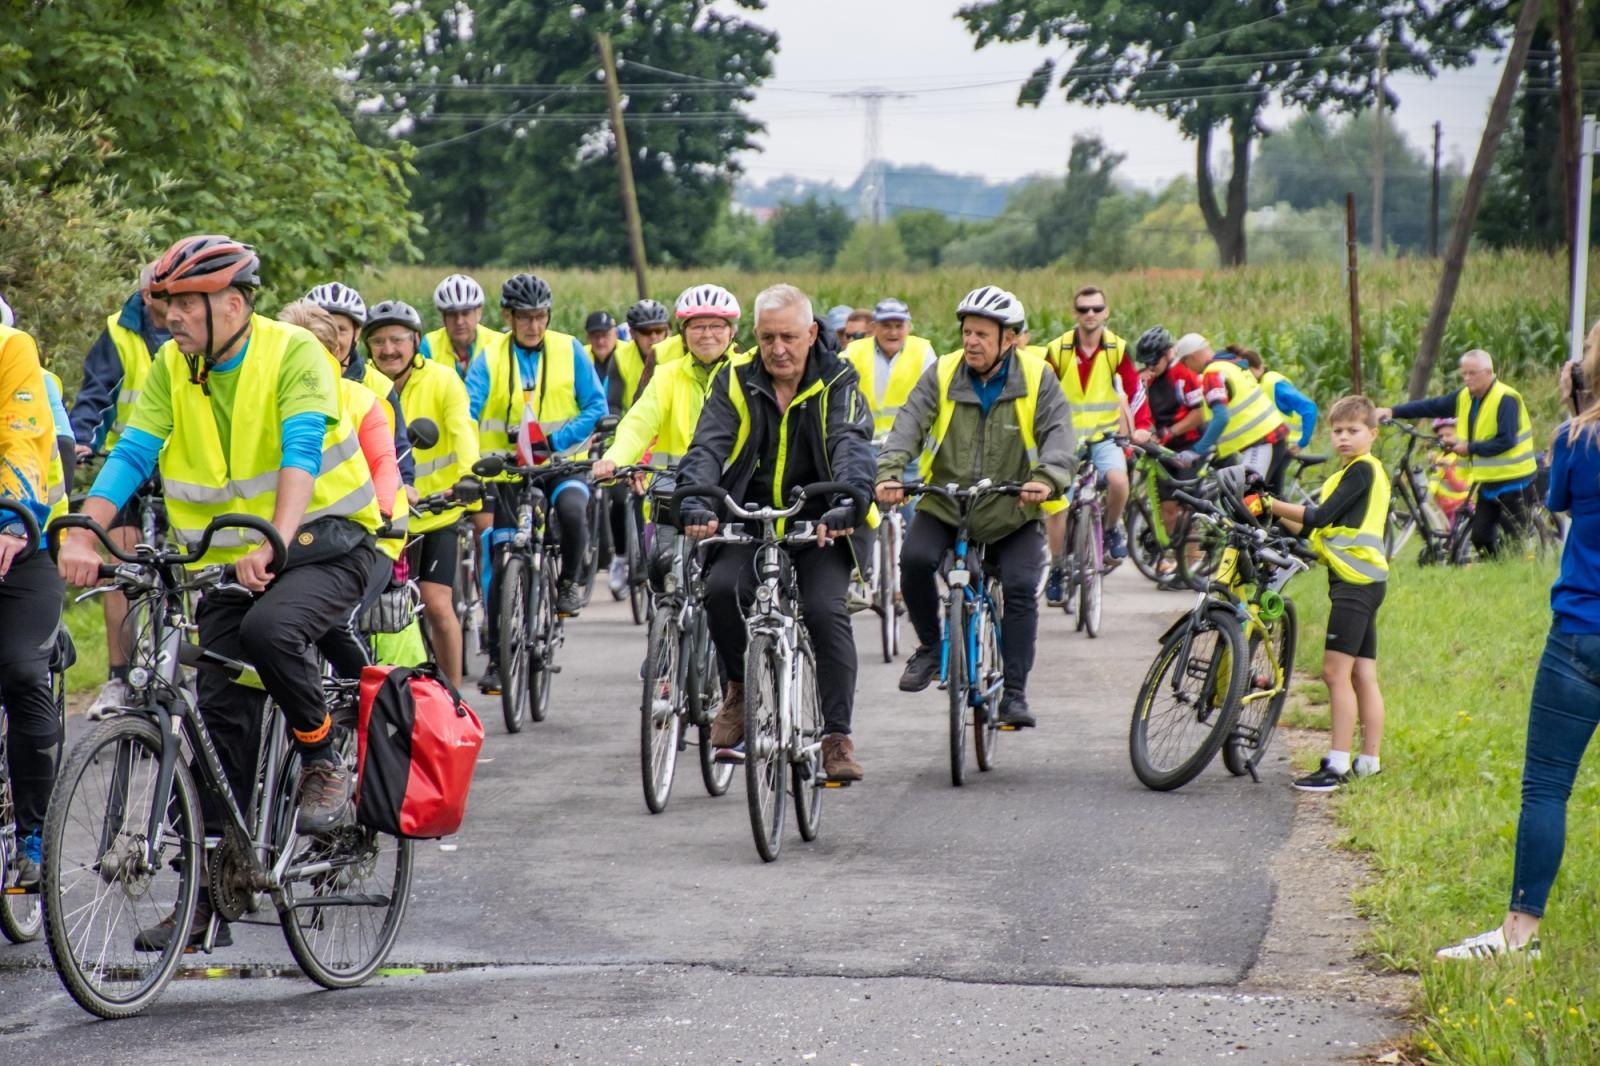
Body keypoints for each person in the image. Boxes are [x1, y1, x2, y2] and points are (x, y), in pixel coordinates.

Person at [57, 235, 384, 951]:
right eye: (166, 302)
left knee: (272, 634)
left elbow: (301, 452)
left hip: (329, 541)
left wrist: (276, 535)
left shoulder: (293, 354)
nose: (169, 315)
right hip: (234, 558)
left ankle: (322, 757)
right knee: (214, 720)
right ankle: (208, 892)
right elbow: (135, 449)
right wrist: (87, 530)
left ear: (232, 304)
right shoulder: (176, 366)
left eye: (183, 303)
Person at [1435, 330, 1600, 960]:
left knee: (1547, 787)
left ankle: (1518, 936)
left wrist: (1576, 406)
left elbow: (1559, 501)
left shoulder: (1575, 439)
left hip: (1580, 630)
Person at [677, 283, 875, 783]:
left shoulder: (839, 381)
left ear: (811, 334)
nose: (778, 349)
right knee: (721, 590)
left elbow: (851, 445)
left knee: (827, 610)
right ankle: (739, 690)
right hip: (749, 514)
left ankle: (835, 736)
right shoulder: (737, 380)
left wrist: (849, 502)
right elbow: (707, 445)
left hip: (822, 520)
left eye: (788, 336)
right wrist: (699, 499)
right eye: (767, 338)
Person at [878, 285, 1076, 729]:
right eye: (967, 332)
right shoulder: (944, 371)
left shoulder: (1038, 377)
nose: (971, 342)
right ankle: (930, 646)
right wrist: (890, 472)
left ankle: (1016, 693)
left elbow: (1060, 438)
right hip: (946, 502)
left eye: (983, 334)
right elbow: (908, 423)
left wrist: (1044, 480)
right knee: (914, 559)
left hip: (1011, 509)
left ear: (1009, 339)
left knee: (1023, 586)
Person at [467, 273, 605, 692]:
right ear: (508, 317)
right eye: (525, 317)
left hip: (563, 463)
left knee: (573, 511)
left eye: (541, 316)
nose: (533, 325)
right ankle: (497, 656)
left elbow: (595, 405)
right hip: (509, 470)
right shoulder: (489, 357)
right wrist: (471, 458)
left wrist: (553, 442)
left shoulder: (570, 350)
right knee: (498, 555)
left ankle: (569, 583)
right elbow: (466, 411)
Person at [1260, 395, 1390, 792]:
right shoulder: (1349, 474)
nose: (1344, 438)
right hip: (1366, 581)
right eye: (1337, 431)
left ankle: (1335, 765)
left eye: (1353, 431)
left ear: (1372, 433)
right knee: (1363, 673)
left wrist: (1269, 500)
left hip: (1354, 583)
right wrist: (1267, 513)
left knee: (1335, 673)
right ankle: (1368, 763)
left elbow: (1317, 517)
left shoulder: (1362, 471)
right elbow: (1311, 529)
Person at [277, 300, 405, 681]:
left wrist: (380, 513)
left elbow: (384, 463)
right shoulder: (276, 399)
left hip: (370, 535)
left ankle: (376, 704)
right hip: (303, 536)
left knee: (333, 621)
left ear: (335, 352)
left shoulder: (360, 400)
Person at [68, 263, 171, 717]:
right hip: (128, 467)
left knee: (201, 570)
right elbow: (98, 391)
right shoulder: (120, 330)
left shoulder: (201, 334)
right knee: (121, 568)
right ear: (146, 296)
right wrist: (84, 435)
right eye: (163, 296)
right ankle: (118, 677)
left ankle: (202, 671)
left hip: (183, 469)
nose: (173, 306)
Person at [592, 284, 746, 588]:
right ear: (683, 332)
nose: (707, 334)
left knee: (729, 581)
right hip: (673, 487)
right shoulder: (668, 375)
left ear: (732, 332)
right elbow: (638, 423)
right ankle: (668, 627)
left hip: (730, 486)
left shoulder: (747, 372)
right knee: (662, 570)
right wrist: (614, 458)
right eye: (698, 326)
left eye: (717, 326)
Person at [366, 299, 479, 687]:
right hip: (378, 519)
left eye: (397, 339)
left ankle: (453, 705)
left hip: (435, 514)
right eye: (378, 341)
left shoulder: (443, 379)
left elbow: (462, 430)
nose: (388, 349)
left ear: (415, 342)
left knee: (436, 604)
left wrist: (468, 477)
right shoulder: (363, 383)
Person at [0, 316, 66, 892]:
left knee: (21, 673)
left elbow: (23, 440)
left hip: (22, 546)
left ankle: (34, 835)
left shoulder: (12, 347)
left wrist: (10, 521)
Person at [1376, 350, 1537, 558]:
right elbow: (1433, 406)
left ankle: (1521, 571)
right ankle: (1499, 567)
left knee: (1517, 537)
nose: (1467, 378)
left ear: (1489, 372)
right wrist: (1393, 411)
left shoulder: (1506, 398)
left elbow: (1507, 440)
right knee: (1480, 538)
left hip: (1515, 480)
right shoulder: (1465, 396)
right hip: (1488, 481)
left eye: (1473, 373)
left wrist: (1468, 448)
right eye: (1464, 374)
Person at [1041, 285, 1148, 593]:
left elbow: (1134, 389)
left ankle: (1112, 530)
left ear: (1106, 312)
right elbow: (1041, 392)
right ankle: (1058, 567)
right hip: (1066, 438)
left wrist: (1142, 425)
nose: (1091, 314)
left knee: (1118, 481)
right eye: (1084, 309)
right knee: (1058, 504)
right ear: (1075, 313)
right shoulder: (1059, 349)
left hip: (1104, 435)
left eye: (1097, 309)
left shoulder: (1116, 348)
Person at [306, 281, 416, 493]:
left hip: (367, 506)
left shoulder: (379, 387)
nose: (332, 338)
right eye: (322, 328)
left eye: (341, 329)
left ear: (356, 334)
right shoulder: (288, 379)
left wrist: (407, 485)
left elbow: (397, 449)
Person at [1133, 326, 1208, 585]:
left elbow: (1199, 414)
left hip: (1188, 447)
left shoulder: (1183, 376)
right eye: (1146, 362)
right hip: (1163, 448)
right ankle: (1175, 562)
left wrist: (1171, 431)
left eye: (1154, 361)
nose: (1149, 366)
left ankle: (1191, 566)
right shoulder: (1150, 380)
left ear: (1167, 355)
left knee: (1187, 509)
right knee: (1167, 508)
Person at [1173, 332, 1288, 480]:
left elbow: (1221, 417)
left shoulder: (1212, 373)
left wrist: (1197, 450)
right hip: (1273, 436)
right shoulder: (1228, 365)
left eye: (1184, 363)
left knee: (1248, 497)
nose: (1186, 368)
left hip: (1261, 442)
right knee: (1269, 500)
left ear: (1192, 356)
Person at [841, 297, 937, 439]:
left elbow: (935, 398)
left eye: (899, 326)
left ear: (909, 328)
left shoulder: (923, 351)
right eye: (886, 326)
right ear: (874, 328)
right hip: (864, 442)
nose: (893, 332)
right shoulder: (854, 352)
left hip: (908, 444)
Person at [1226, 345, 1318, 456]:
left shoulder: (1273, 383)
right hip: (1270, 445)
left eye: (1249, 372)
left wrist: (1302, 443)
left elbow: (1309, 408)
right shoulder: (1255, 386)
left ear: (1259, 367)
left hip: (1287, 447)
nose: (1246, 376)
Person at [422, 273, 496, 380]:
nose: (459, 321)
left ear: (478, 313)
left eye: (465, 313)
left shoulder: (497, 343)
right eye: (452, 314)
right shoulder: (428, 345)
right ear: (443, 317)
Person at [1428, 418, 1471, 528]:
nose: (1443, 439)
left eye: (1448, 435)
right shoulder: (1440, 457)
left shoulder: (1462, 458)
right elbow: (1434, 482)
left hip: (1459, 507)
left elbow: (1461, 487)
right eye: (1440, 437)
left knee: (1452, 541)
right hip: (1442, 509)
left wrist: (1447, 469)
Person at [584, 309, 620, 390]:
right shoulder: (581, 356)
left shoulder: (628, 355)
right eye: (595, 336)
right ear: (587, 338)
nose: (600, 341)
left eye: (605, 335)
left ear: (616, 334)